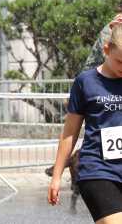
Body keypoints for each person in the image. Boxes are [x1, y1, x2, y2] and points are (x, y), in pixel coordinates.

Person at [48, 23, 122, 223]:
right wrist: (56, 176)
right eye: (120, 62)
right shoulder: (85, 81)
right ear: (106, 49)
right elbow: (69, 132)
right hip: (98, 170)